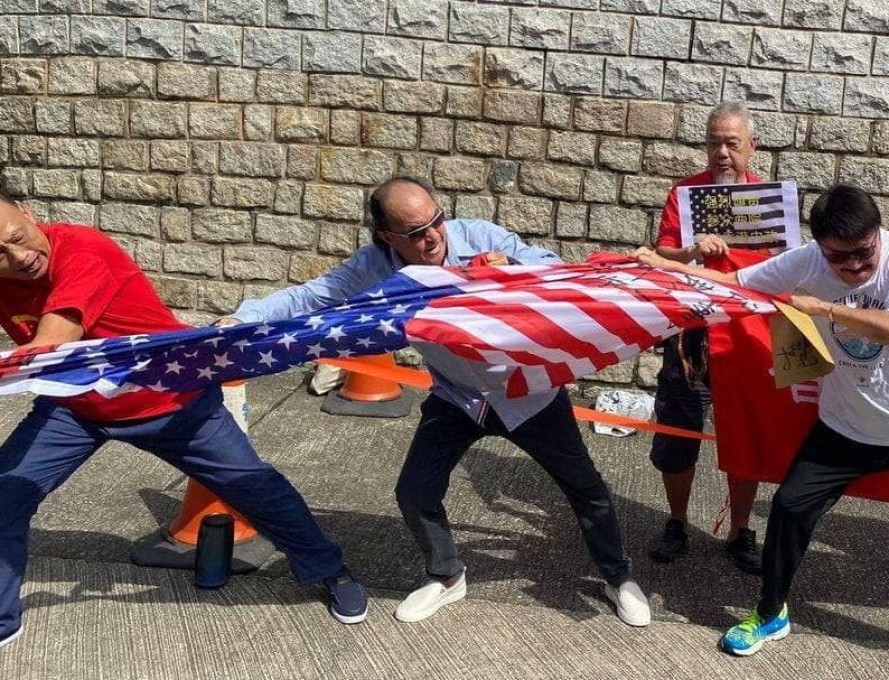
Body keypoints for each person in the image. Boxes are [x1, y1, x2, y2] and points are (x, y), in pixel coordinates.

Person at [219, 177, 652, 627]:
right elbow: (311, 295)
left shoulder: (480, 236)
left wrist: (511, 270)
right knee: (415, 490)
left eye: (437, 221)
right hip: (458, 396)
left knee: (585, 487)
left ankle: (618, 577)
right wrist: (244, 317)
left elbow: (555, 269)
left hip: (527, 392)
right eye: (415, 233)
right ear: (388, 237)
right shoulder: (376, 265)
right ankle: (446, 575)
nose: (433, 237)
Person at [637, 184, 889, 655]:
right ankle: (771, 612)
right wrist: (669, 267)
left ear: (878, 234)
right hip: (846, 429)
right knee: (790, 509)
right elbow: (733, 284)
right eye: (841, 259)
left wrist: (824, 308)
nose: (855, 267)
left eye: (864, 253)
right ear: (820, 247)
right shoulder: (807, 261)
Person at [0, 187, 367, 652]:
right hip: (77, 408)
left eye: (19, 236)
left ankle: (329, 570)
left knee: (256, 487)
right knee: (3, 498)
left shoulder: (83, 249)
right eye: (1, 254)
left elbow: (52, 346)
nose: (20, 256)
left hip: (173, 400)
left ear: (29, 213)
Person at [646, 101, 764, 574]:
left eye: (731, 143)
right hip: (690, 334)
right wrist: (692, 250)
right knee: (679, 431)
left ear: (751, 146)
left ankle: (740, 529)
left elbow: (787, 258)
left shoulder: (768, 198)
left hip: (745, 336)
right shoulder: (684, 192)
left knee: (746, 434)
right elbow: (662, 251)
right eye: (714, 141)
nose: (721, 152)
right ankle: (676, 521)